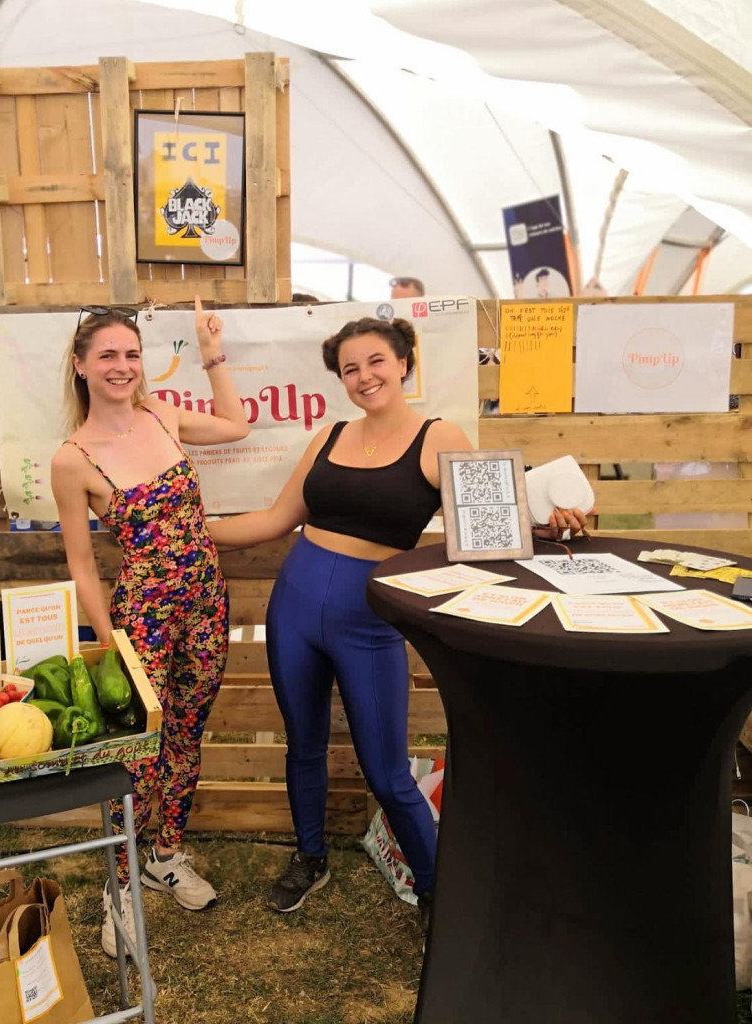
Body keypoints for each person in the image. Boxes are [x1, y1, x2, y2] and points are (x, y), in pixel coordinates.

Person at [206, 316, 586, 933]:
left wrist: (542, 526)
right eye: (350, 369)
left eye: (376, 361)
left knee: (385, 769)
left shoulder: (439, 437)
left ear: (404, 363)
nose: (364, 377)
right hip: (294, 605)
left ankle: (439, 892)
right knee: (303, 743)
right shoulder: (329, 436)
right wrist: (188, 531)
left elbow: (487, 526)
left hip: (368, 619)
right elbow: (276, 519)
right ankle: (310, 857)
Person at [50, 297, 249, 957]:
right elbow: (82, 564)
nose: (122, 366)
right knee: (137, 754)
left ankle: (166, 856)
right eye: (107, 354)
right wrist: (109, 642)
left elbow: (236, 425)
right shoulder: (72, 459)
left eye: (132, 354)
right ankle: (119, 888)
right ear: (81, 364)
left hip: (206, 603)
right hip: (144, 618)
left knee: (187, 734)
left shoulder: (162, 414)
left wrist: (211, 352)